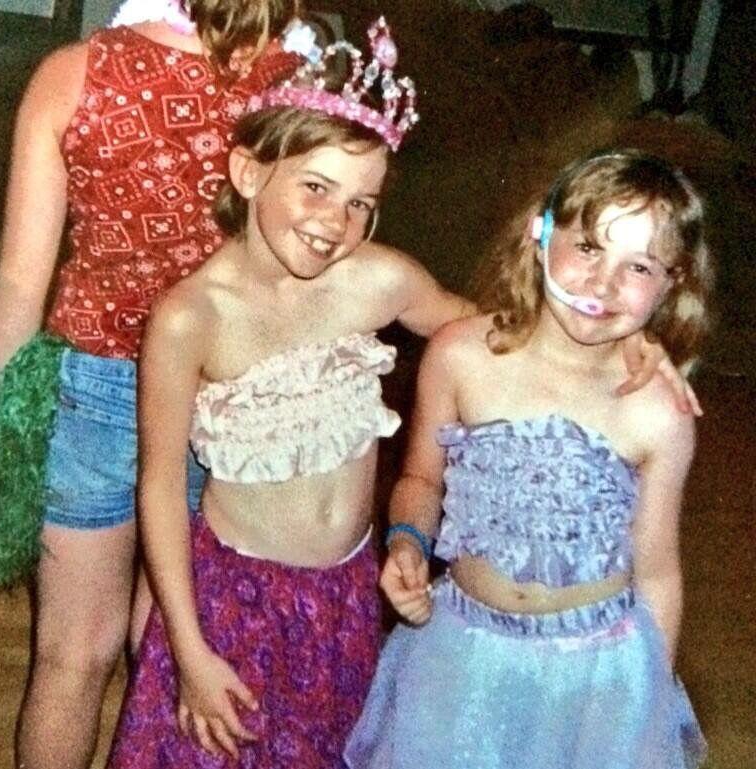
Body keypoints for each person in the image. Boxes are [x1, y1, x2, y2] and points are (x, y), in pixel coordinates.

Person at [103, 16, 473, 769]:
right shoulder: (191, 317)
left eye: (362, 202)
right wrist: (188, 650)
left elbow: (492, 336)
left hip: (344, 599)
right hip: (232, 603)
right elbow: (161, 487)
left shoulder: (379, 280)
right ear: (247, 174)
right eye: (315, 187)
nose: (337, 222)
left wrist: (618, 342)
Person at [0, 3, 303, 768]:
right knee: (174, 650)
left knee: (70, 654)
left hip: (92, 389)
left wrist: (1, 429)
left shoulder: (72, 74)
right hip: (223, 395)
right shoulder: (294, 86)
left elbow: (20, 281)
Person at [345, 149, 712, 769]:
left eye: (639, 266)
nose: (603, 284)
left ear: (671, 284)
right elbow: (421, 479)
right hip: (461, 650)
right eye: (588, 248)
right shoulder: (460, 355)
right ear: (539, 236)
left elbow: (656, 570)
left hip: (594, 671)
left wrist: (648, 702)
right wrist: (407, 542)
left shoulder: (658, 411)